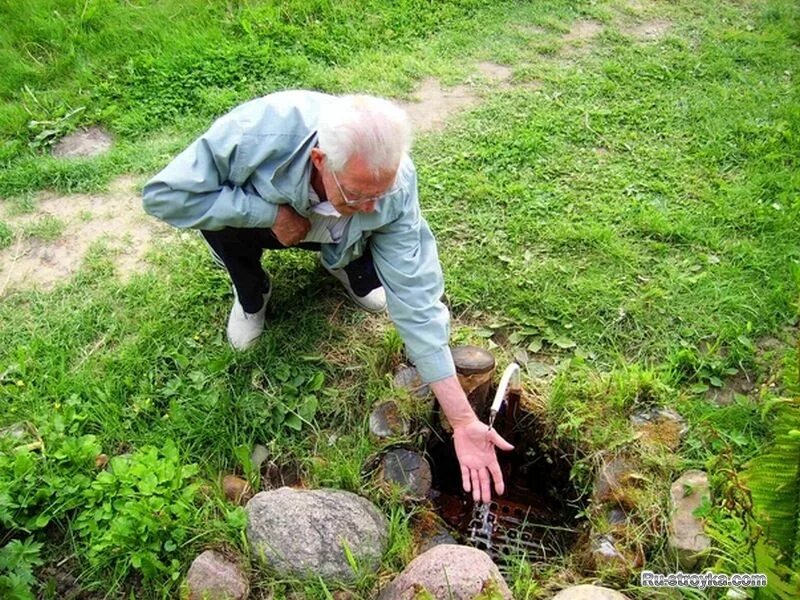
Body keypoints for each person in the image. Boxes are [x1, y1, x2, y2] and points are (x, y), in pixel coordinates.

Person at [142, 90, 512, 503]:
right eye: (359, 193)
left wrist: (461, 419)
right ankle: (252, 293)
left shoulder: (391, 183)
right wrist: (267, 214)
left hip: (331, 226)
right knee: (225, 223)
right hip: (271, 220)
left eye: (381, 193)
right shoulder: (258, 135)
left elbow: (416, 298)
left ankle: (344, 262)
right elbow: (165, 195)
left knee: (369, 223)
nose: (373, 205)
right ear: (320, 161)